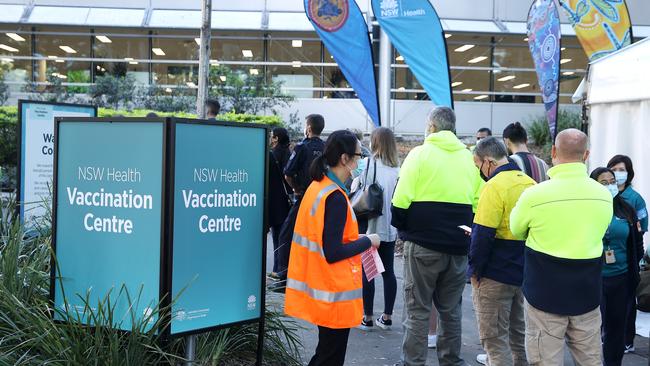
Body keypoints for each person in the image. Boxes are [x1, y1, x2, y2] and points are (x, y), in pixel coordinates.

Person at [510, 129, 612, 366]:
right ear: (586, 155)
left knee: (545, 361)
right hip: (586, 293)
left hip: (543, 293)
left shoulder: (534, 195)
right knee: (590, 360)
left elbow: (516, 229)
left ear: (553, 152)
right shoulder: (604, 195)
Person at [392, 106, 483, 365]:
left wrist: (404, 230)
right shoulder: (469, 158)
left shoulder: (419, 155)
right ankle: (451, 361)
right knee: (451, 311)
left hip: (422, 245)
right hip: (457, 247)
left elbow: (400, 201)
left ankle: (413, 362)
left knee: (417, 309)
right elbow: (478, 203)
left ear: (431, 126)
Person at [284, 130, 381, 366]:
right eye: (358, 156)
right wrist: (368, 241)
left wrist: (355, 238)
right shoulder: (334, 196)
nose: (360, 162)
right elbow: (333, 251)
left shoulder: (319, 187)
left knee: (326, 353)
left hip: (321, 286)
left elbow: (326, 238)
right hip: (333, 290)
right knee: (330, 357)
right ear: (345, 158)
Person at [468, 137, 535, 366]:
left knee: (495, 341)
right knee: (520, 337)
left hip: (495, 273)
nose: (480, 171)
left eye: (479, 166)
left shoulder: (493, 186)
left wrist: (475, 271)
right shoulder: (529, 183)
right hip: (524, 271)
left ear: (488, 162)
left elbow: (483, 234)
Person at [589, 167, 644, 366]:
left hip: (621, 278)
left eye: (612, 181)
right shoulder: (588, 210)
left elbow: (637, 242)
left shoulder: (626, 209)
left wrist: (636, 270)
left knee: (615, 328)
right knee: (589, 328)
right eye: (603, 182)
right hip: (594, 278)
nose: (610, 185)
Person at [352, 127, 400, 331]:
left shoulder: (367, 164)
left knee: (368, 273)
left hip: (370, 228)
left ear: (375, 143)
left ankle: (367, 318)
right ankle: (387, 317)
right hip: (390, 229)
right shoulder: (399, 171)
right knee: (389, 272)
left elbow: (354, 187)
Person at [272, 114, 325, 292]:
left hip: (303, 198)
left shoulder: (302, 147)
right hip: (321, 199)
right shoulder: (326, 148)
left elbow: (288, 173)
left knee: (286, 235)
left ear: (308, 128)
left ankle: (282, 278)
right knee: (315, 239)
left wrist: (295, 189)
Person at [607, 154, 648, 353]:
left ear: (629, 173)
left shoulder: (635, 199)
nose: (617, 174)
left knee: (627, 303)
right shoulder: (603, 197)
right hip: (604, 266)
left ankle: (627, 339)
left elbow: (642, 229)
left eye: (621, 170)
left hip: (626, 261)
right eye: (613, 170)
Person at [267, 127, 292, 279]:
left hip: (275, 201)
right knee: (283, 237)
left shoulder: (272, 155)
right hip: (286, 200)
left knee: (278, 237)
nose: (270, 138)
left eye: (271, 136)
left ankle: (278, 269)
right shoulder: (288, 153)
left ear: (276, 138)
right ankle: (280, 269)